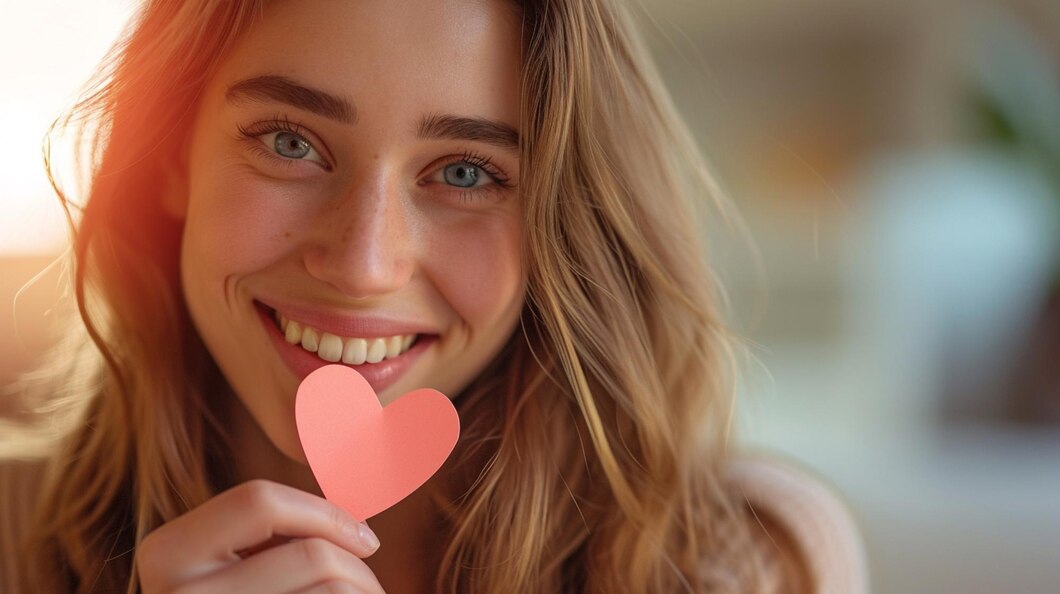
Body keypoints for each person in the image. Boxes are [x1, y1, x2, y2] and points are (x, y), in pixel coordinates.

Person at [0, 0, 868, 592]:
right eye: (289, 141)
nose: (365, 263)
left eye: (466, 172)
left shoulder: (744, 557)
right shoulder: (12, 532)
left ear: (567, 217)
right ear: (170, 161)